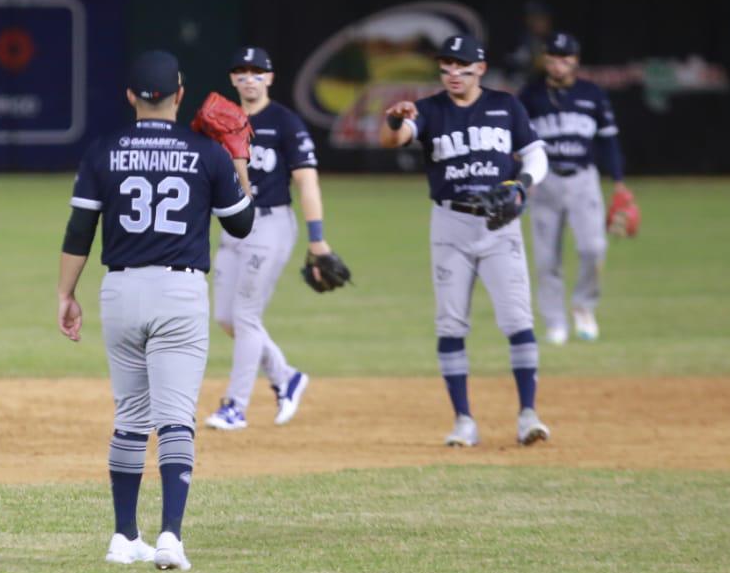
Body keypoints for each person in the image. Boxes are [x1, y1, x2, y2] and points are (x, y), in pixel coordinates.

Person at [57, 50, 255, 572]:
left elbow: (80, 232)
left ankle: (124, 538)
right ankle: (170, 537)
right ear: (181, 95)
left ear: (130, 98)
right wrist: (237, 157)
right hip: (178, 294)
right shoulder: (205, 152)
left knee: (129, 417)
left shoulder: (103, 151)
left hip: (120, 292)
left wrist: (66, 294)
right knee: (175, 420)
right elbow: (242, 225)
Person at [379, 34, 552, 448]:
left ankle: (528, 414)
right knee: (451, 323)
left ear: (480, 68)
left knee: (517, 320)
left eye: (461, 65)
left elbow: (536, 156)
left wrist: (521, 187)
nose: (453, 72)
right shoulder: (429, 109)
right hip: (450, 224)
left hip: (498, 224)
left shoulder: (506, 106)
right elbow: (396, 140)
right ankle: (463, 421)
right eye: (446, 66)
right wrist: (394, 121)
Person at [203, 46, 336, 432]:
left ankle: (235, 406)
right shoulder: (222, 121)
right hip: (232, 226)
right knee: (227, 318)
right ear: (232, 79)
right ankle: (286, 376)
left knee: (246, 315)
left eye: (257, 71)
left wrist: (317, 240)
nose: (249, 77)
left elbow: (307, 182)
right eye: (241, 71)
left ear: (270, 78)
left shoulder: (285, 122)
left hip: (272, 224)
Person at [518, 32, 630, 345]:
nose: (558, 64)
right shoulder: (530, 95)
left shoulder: (592, 94)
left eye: (565, 58)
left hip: (584, 179)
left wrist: (618, 181)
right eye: (553, 58)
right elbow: (518, 144)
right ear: (545, 60)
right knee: (546, 259)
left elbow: (608, 139)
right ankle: (555, 323)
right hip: (546, 181)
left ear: (575, 61)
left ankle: (583, 305)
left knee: (594, 248)